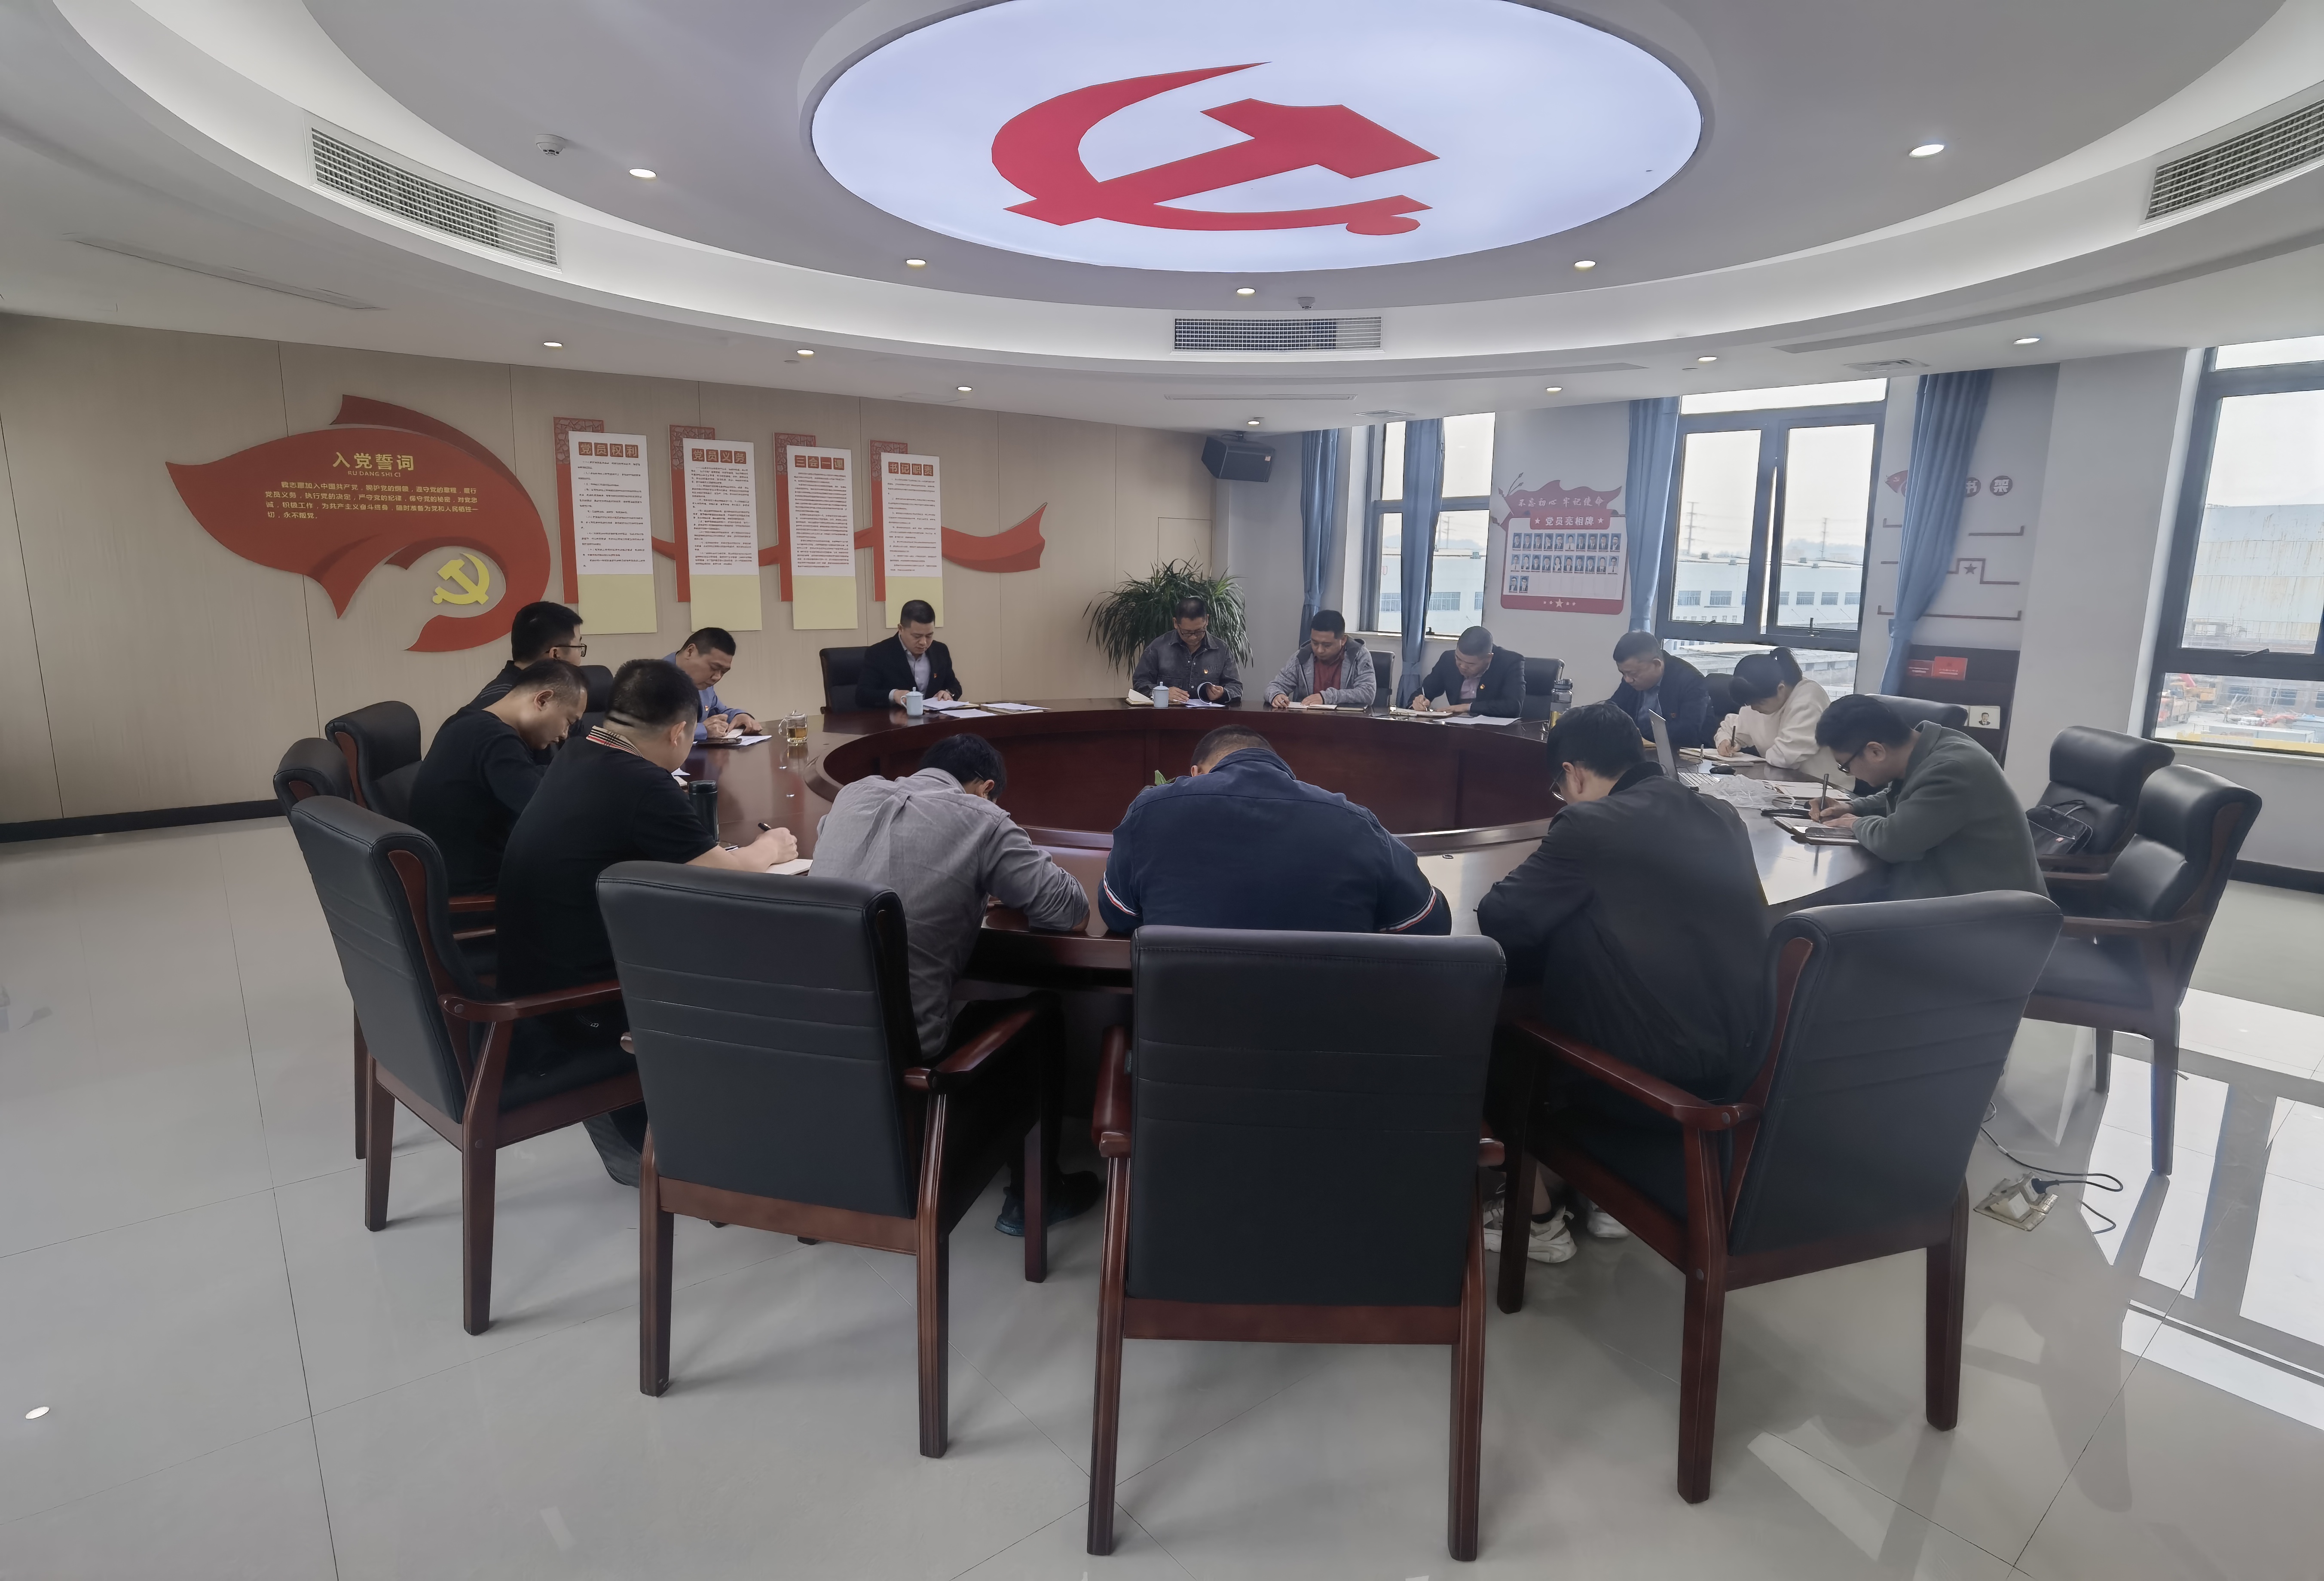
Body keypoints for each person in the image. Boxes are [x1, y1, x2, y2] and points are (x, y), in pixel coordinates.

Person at [1477, 703, 1768, 1264]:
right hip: (1734, 1067)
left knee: (1499, 1036)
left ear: (1573, 773)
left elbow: (1502, 916)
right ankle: (1602, 1201)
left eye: (1560, 788)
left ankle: (1537, 1221)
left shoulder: (1589, 825)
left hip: (1647, 1085)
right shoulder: (1718, 813)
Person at [496, 659, 798, 1183]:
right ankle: (725, 1136)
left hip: (531, 970)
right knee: (760, 959)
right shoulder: (640, 782)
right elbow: (730, 877)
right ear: (680, 732)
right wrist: (770, 846)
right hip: (578, 1001)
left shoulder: (582, 749)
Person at [812, 731, 1097, 1236]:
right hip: (905, 1060)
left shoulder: (852, 795)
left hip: (812, 1043)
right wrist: (986, 878)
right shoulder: (981, 818)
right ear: (986, 789)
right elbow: (1068, 911)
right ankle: (1034, 1197)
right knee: (1042, 1012)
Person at [1099, 725, 1447, 935]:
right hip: (1326, 1035)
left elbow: (1117, 914)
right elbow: (1428, 921)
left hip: (1181, 1033)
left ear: (1197, 773)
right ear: (1283, 772)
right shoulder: (1356, 824)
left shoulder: (1150, 811)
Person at [1810, 694, 2044, 901]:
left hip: (1993, 915)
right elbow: (1908, 797)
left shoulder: (1952, 770)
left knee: (1824, 918)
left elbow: (1894, 842)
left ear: (1875, 752)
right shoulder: (1935, 748)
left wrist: (1855, 823)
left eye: (1845, 766)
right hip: (1953, 894)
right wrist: (1852, 807)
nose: (1849, 773)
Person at [408, 659, 586, 894]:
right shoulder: (495, 740)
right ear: (543, 700)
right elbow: (545, 813)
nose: (565, 734)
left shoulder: (469, 722)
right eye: (569, 722)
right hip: (476, 893)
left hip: (453, 877)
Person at [1714, 647, 1838, 778]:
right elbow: (1731, 729)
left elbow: (1785, 757)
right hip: (1781, 781)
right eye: (1749, 704)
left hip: (1821, 784)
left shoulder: (1808, 699)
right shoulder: (1760, 698)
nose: (1754, 708)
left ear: (1781, 689)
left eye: (1760, 703)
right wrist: (1725, 741)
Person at [465, 601, 585, 711]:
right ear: (556, 655)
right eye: (579, 647)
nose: (580, 654)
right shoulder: (511, 706)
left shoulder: (537, 690)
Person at [1603, 631, 1714, 748]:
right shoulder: (1631, 679)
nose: (1627, 680)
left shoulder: (1691, 681)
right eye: (1623, 673)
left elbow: (1687, 731)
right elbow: (1614, 708)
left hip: (1686, 753)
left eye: (1633, 674)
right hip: (1641, 749)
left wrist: (1637, 732)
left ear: (1656, 664)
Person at [1129, 596, 1241, 704]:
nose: (1193, 637)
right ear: (1176, 623)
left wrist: (1223, 694)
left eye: (1199, 631)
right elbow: (1140, 682)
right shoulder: (1158, 647)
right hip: (1167, 714)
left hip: (1208, 715)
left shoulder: (1222, 650)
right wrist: (1161, 692)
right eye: (1187, 632)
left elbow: (1236, 687)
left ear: (1207, 620)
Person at [857, 599, 965, 708]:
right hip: (896, 717)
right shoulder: (879, 653)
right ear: (901, 629)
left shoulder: (940, 651)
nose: (924, 643)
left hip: (934, 717)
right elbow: (863, 695)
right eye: (917, 636)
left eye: (929, 636)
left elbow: (955, 686)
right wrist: (894, 695)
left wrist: (948, 693)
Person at [1266, 608, 1376, 710]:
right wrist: (1277, 695)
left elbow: (1368, 693)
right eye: (1315, 643)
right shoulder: (1302, 656)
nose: (1319, 650)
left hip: (1346, 720)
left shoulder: (1359, 656)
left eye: (1327, 645)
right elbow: (1275, 686)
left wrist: (1326, 697)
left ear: (1343, 640)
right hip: (1308, 720)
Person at [666, 628, 759, 741]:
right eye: (714, 668)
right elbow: (654, 733)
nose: (717, 677)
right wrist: (703, 730)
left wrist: (739, 716)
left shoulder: (701, 682)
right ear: (690, 652)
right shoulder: (652, 681)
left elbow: (719, 712)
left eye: (724, 672)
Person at [1414, 626, 1525, 717]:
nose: (1462, 666)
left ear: (1489, 658)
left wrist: (1468, 707)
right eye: (1458, 659)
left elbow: (1513, 707)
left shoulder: (1510, 663)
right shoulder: (1448, 659)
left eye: (1471, 664)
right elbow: (1425, 691)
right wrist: (1419, 702)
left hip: (1494, 731)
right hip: (1457, 728)